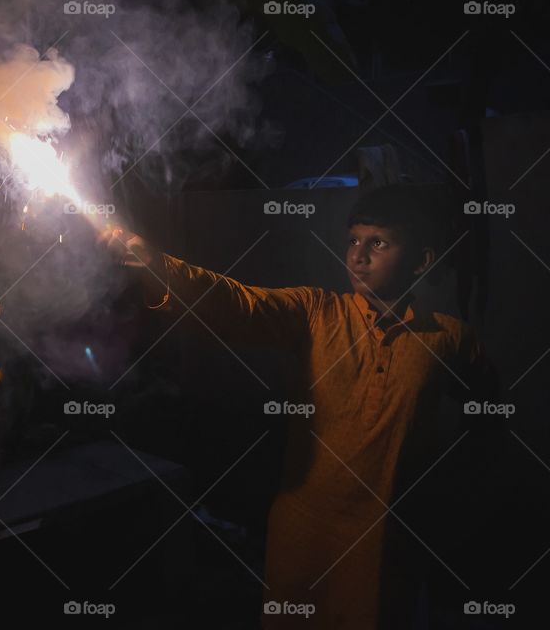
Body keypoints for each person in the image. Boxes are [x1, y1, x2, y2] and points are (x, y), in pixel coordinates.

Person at [97, 185, 498, 629]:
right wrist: (159, 266)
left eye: (378, 243)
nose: (358, 256)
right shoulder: (318, 312)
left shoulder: (450, 339)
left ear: (421, 260)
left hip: (383, 548)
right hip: (302, 539)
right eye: (353, 240)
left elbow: (488, 412)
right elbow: (237, 303)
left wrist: (457, 490)